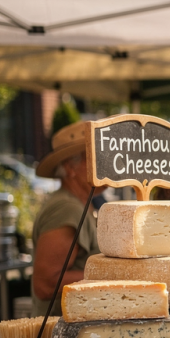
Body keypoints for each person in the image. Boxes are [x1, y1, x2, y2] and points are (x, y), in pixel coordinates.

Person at [31, 121, 104, 316]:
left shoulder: (82, 203)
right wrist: (112, 274)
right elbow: (46, 284)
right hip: (62, 331)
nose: (106, 163)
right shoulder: (67, 209)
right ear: (70, 167)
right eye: (96, 157)